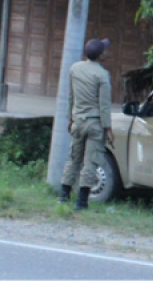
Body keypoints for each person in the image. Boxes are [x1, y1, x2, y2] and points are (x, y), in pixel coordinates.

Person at [59, 38, 114, 211]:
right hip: (94, 124)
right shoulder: (102, 75)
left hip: (77, 121)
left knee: (73, 157)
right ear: (100, 55)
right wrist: (108, 128)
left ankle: (64, 195)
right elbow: (104, 105)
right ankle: (82, 201)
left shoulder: (75, 69)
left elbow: (70, 97)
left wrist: (70, 118)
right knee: (90, 161)